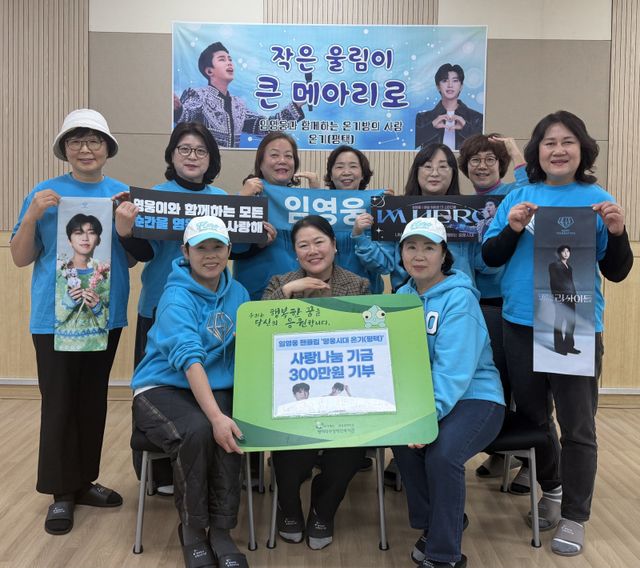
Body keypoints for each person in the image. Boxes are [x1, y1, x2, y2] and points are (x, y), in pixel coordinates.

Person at [482, 110, 633, 556]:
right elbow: (490, 257)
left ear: (583, 149)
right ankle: (552, 490)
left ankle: (575, 516)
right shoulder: (518, 196)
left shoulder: (598, 199)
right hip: (520, 324)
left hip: (574, 323)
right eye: (549, 142)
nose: (558, 150)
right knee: (533, 419)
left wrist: (618, 233)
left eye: (567, 141)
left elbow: (617, 271)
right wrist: (512, 229)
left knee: (578, 426)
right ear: (537, 151)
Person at [10, 108, 130, 535]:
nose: (86, 148)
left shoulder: (121, 195)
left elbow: (132, 258)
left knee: (92, 400)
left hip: (104, 315)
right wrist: (30, 215)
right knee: (59, 400)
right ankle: (61, 492)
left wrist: (127, 225)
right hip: (54, 319)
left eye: (94, 140)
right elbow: (20, 257)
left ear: (107, 148)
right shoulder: (44, 193)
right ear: (64, 149)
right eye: (76, 141)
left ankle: (83, 482)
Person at [131, 215, 250, 568]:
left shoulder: (239, 293)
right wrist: (215, 417)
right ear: (186, 252)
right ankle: (194, 530)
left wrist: (222, 418)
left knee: (231, 429)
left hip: (214, 385)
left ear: (229, 250)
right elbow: (189, 359)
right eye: (201, 248)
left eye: (217, 247)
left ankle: (222, 532)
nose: (210, 255)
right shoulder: (175, 297)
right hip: (163, 387)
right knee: (199, 430)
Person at [393, 217, 505, 568]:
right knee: (402, 440)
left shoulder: (460, 298)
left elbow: (454, 371)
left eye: (429, 247)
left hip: (477, 397)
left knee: (442, 455)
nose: (419, 255)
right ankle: (439, 523)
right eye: (411, 247)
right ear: (401, 253)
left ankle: (444, 556)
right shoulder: (401, 298)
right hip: (431, 397)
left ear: (444, 255)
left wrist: (426, 417)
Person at [262, 215, 369, 550]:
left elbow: (370, 336)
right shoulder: (279, 282)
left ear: (334, 246)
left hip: (340, 389)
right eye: (303, 245)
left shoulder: (358, 286)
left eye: (319, 242)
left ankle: (323, 510)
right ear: (295, 252)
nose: (312, 250)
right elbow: (258, 330)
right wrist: (287, 293)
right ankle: (289, 506)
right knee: (290, 439)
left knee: (350, 445)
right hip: (293, 389)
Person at [457, 133, 530, 487]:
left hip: (510, 301)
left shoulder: (514, 193)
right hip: (476, 301)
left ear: (501, 164)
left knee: (522, 384)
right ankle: (501, 454)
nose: (482, 166)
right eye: (475, 160)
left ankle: (530, 461)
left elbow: (533, 192)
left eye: (490, 159)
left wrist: (516, 153)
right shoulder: (464, 204)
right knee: (495, 380)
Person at [352, 143, 497, 292]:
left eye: (443, 166)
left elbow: (486, 266)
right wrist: (360, 236)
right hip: (408, 297)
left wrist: (494, 233)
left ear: (453, 172)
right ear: (417, 171)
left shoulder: (470, 212)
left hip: (455, 297)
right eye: (428, 166)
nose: (435, 173)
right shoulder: (396, 209)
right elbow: (383, 265)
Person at [174, 41, 304, 148]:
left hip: (233, 164)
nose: (229, 62)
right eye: (222, 59)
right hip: (205, 164)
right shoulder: (198, 95)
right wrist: (178, 109)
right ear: (209, 71)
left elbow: (266, 128)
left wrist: (296, 106)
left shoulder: (238, 105)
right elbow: (186, 117)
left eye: (230, 59)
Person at [55, 214, 109, 351]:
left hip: (98, 346)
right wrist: (67, 303)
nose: (85, 238)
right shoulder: (59, 272)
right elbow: (51, 320)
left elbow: (108, 323)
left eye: (91, 233)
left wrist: (98, 308)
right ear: (69, 240)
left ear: (98, 240)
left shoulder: (106, 273)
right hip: (63, 345)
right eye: (78, 233)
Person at [414, 63, 483, 151]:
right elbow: (412, 142)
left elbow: (483, 146)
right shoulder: (423, 118)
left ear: (461, 86)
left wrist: (466, 128)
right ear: (438, 87)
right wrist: (432, 127)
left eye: (455, 80)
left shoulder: (477, 118)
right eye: (445, 80)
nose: (450, 85)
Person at [549, 245, 579, 355]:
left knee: (571, 322)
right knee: (559, 322)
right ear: (559, 253)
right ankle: (559, 347)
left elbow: (571, 282)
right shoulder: (553, 266)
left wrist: (575, 295)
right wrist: (556, 297)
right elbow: (553, 282)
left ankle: (569, 346)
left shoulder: (569, 267)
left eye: (568, 251)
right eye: (563, 251)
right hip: (560, 297)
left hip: (570, 297)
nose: (566, 253)